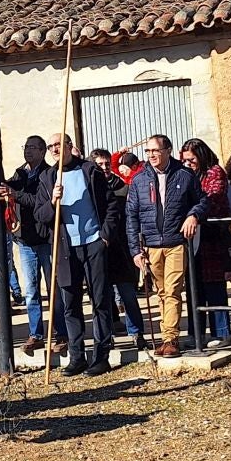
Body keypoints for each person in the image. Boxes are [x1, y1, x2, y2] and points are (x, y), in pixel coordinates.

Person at [33, 134, 115, 376]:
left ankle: (101, 356)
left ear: (70, 146)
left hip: (93, 243)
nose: (55, 149)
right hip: (65, 248)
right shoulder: (47, 178)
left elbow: (110, 204)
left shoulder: (90, 170)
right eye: (51, 147)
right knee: (70, 304)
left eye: (59, 144)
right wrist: (52, 202)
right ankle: (77, 357)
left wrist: (105, 236)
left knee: (100, 301)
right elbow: (41, 215)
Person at [125, 134, 207, 358]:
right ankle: (166, 337)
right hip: (151, 244)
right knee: (161, 292)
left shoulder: (185, 174)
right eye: (148, 151)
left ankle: (170, 339)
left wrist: (193, 215)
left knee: (172, 291)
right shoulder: (139, 180)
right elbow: (131, 216)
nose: (151, 155)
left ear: (168, 151)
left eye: (156, 150)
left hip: (176, 242)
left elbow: (202, 201)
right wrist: (135, 250)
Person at [91, 147, 145, 345]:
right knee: (101, 298)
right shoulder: (88, 190)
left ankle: (136, 333)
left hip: (121, 249)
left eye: (107, 164)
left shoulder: (124, 188)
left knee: (128, 295)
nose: (105, 168)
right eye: (100, 165)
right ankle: (106, 337)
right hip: (98, 249)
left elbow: (133, 219)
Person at [179, 140, 231, 343]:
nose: (188, 163)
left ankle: (221, 331)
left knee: (214, 285)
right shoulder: (187, 174)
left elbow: (212, 199)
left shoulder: (214, 172)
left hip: (212, 235)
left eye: (192, 159)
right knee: (194, 286)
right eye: (185, 160)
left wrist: (195, 212)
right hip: (191, 235)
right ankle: (196, 332)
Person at [5, 137, 54, 354]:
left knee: (54, 289)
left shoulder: (48, 174)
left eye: (32, 147)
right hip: (25, 240)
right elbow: (8, 187)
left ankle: (58, 332)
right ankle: (36, 334)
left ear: (43, 151)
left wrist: (16, 195)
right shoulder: (20, 174)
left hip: (46, 239)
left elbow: (39, 201)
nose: (28, 151)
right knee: (31, 291)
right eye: (25, 147)